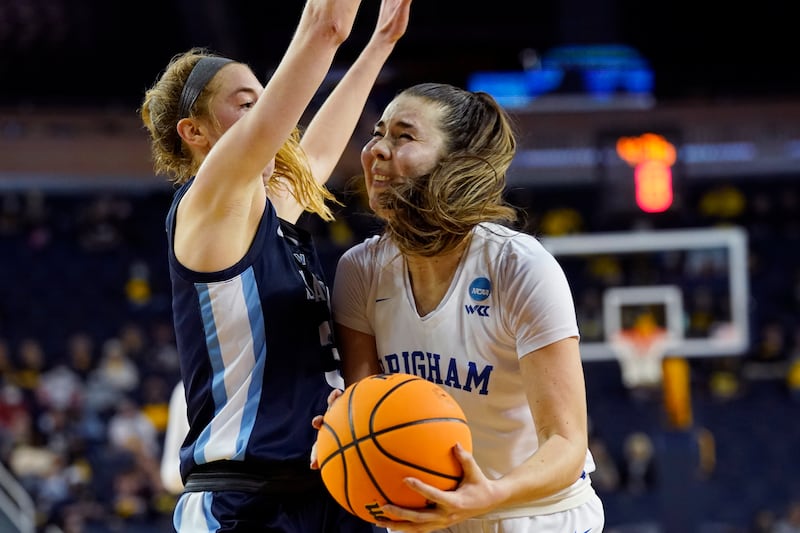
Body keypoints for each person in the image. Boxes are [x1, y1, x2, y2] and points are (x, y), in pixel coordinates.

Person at [138, 0, 412, 530]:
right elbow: (325, 27)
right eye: (248, 106)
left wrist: (379, 45)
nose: (272, 116)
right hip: (243, 500)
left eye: (267, 102)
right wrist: (333, 32)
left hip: (327, 487)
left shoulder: (267, 211)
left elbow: (315, 154)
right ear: (193, 133)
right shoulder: (206, 206)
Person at [325, 83, 605, 532]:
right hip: (425, 519)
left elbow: (566, 444)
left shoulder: (518, 266)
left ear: (454, 162)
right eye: (378, 133)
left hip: (534, 516)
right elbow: (366, 410)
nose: (377, 149)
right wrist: (345, 426)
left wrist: (489, 494)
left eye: (403, 136)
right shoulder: (360, 270)